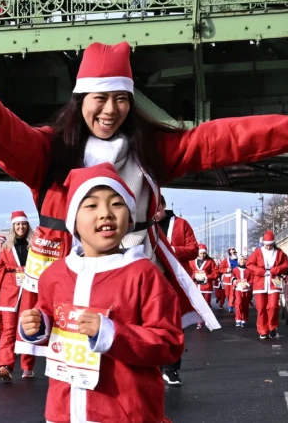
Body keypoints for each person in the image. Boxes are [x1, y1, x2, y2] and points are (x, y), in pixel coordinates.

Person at [0, 40, 288, 358]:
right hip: (69, 281)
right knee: (76, 378)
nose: (111, 110)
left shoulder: (148, 150)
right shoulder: (51, 152)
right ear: (81, 101)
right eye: (101, 98)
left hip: (133, 278)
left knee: (136, 367)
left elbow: (223, 140)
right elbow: (12, 141)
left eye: (121, 99)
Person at [19, 162, 183, 422]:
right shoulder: (54, 275)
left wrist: (111, 333)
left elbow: (170, 343)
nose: (105, 213)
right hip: (63, 411)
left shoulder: (144, 274)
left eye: (117, 204)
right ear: (73, 219)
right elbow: (49, 320)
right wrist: (38, 326)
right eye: (91, 205)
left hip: (125, 412)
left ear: (130, 218)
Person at [153, 194, 198, 386]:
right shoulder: (143, 225)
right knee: (153, 325)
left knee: (175, 326)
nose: (154, 214)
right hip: (152, 282)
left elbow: (194, 249)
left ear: (163, 206)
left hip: (176, 283)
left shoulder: (181, 224)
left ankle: (172, 369)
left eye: (157, 209)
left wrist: (171, 250)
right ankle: (156, 366)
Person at [0, 211, 36, 381]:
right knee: (8, 329)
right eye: (17, 224)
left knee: (27, 329)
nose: (21, 227)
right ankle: (5, 365)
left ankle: (27, 365)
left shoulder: (36, 245)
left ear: (27, 226)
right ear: (13, 227)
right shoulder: (7, 249)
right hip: (10, 293)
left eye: (23, 224)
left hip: (30, 291)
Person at [245, 231, 288, 339]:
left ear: (273, 243)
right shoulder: (258, 252)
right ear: (263, 243)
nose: (268, 247)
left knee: (273, 306)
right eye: (266, 245)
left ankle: (272, 327)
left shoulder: (279, 252)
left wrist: (277, 269)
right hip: (260, 281)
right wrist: (259, 271)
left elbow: (286, 264)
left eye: (270, 244)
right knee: (261, 308)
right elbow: (249, 264)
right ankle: (263, 330)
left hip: (274, 280)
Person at [189, 244, 217, 329]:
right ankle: (199, 321)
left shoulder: (210, 261)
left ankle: (208, 320)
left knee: (207, 304)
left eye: (204, 253)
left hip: (207, 286)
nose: (202, 255)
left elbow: (216, 272)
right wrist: (194, 275)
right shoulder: (192, 261)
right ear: (198, 253)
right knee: (198, 304)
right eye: (201, 253)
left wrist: (207, 277)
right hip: (196, 286)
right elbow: (189, 271)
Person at [231, 254, 252, 328]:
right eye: (241, 259)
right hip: (238, 289)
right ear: (239, 261)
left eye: (244, 259)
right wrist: (234, 280)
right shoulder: (235, 269)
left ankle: (244, 319)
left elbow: (252, 279)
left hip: (246, 290)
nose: (243, 261)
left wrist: (248, 284)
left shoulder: (249, 270)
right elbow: (233, 276)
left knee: (245, 305)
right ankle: (238, 319)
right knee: (238, 304)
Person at [218, 248, 239, 312]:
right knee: (227, 294)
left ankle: (231, 306)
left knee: (233, 293)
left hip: (236, 277)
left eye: (234, 251)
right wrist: (226, 270)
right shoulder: (226, 260)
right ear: (229, 253)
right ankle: (230, 303)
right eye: (231, 252)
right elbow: (220, 269)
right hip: (227, 278)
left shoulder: (239, 259)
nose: (233, 253)